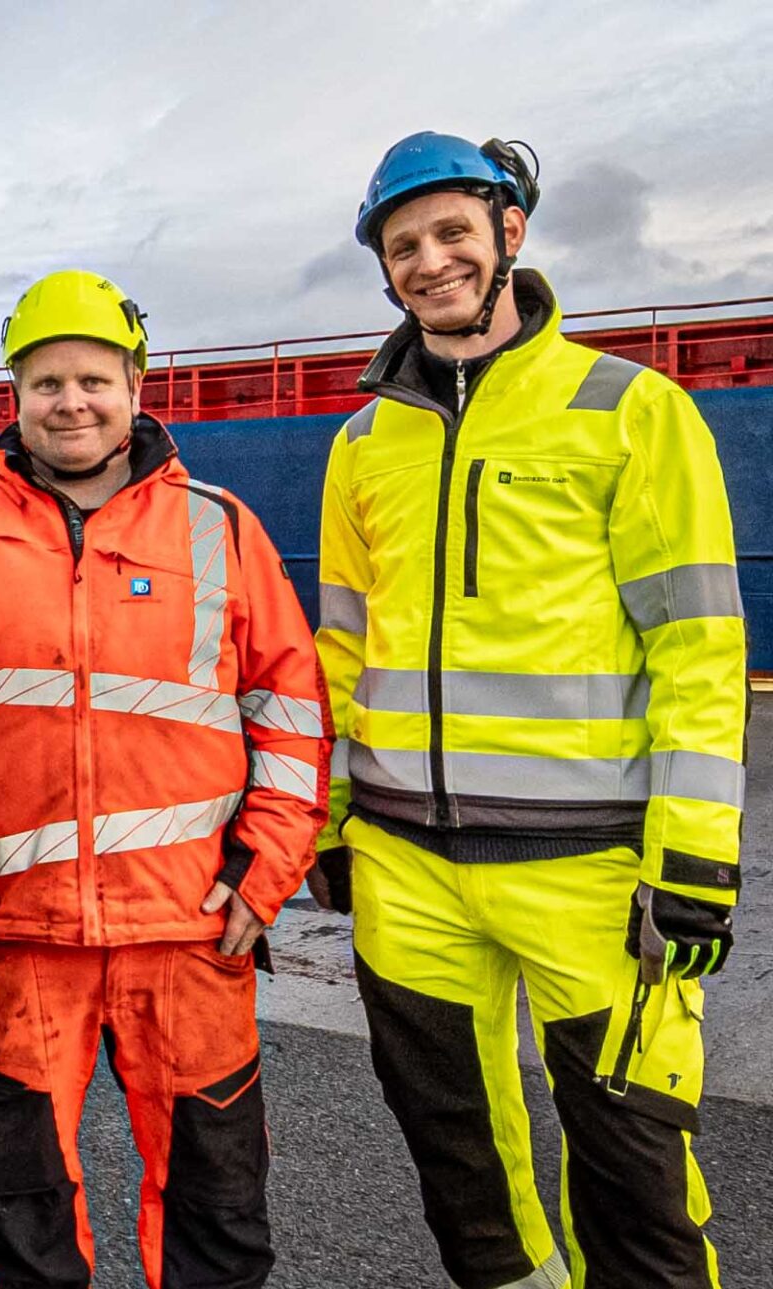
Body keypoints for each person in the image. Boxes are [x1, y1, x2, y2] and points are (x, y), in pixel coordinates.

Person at [314, 131, 743, 1286]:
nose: (430, 260)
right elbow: (343, 650)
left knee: (638, 1193)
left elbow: (698, 645)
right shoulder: (361, 443)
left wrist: (695, 856)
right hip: (405, 871)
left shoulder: (631, 409)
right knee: (469, 1193)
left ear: (510, 230)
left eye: (452, 231)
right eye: (404, 244)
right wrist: (328, 820)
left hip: (593, 877)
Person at [0, 269, 329, 1289]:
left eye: (93, 380)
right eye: (47, 382)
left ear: (135, 386)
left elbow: (290, 712)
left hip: (192, 930)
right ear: (15, 394)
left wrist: (265, 873)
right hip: (17, 935)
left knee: (219, 1212)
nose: (70, 402)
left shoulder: (220, 528)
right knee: (22, 1211)